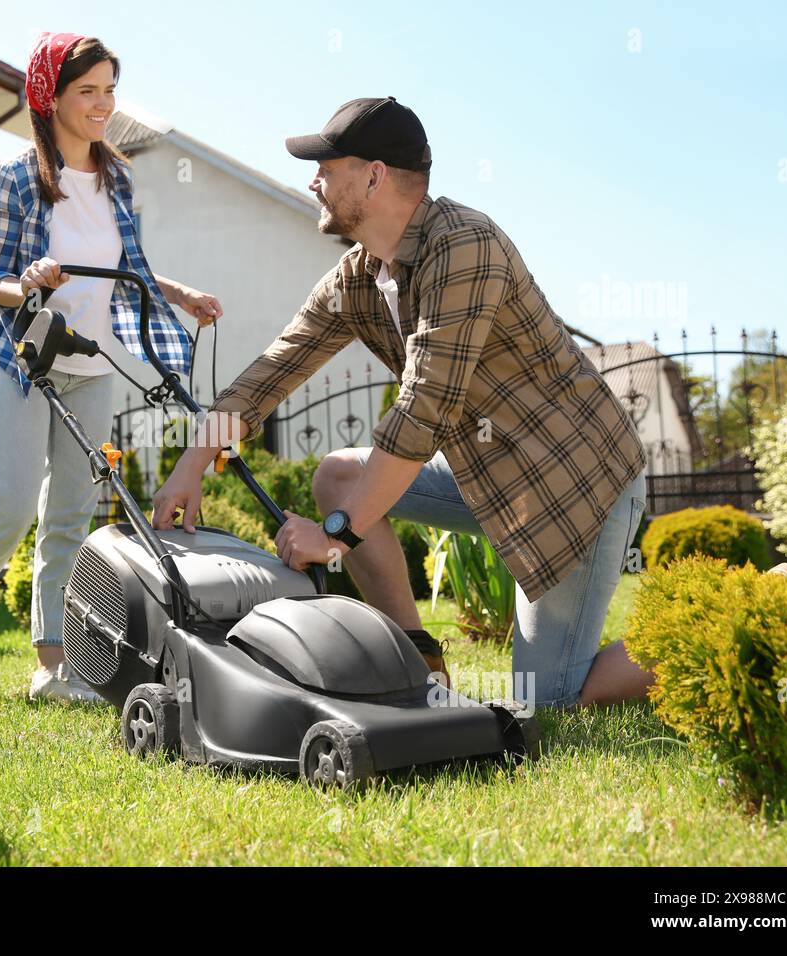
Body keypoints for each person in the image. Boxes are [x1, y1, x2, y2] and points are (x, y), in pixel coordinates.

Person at [152, 97, 652, 710]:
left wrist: (335, 536)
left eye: (326, 167)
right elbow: (271, 371)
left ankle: (720, 624)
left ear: (374, 175)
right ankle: (419, 661)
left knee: (543, 708)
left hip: (575, 487)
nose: (314, 181)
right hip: (488, 477)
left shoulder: (466, 246)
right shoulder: (357, 278)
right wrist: (189, 467)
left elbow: (423, 409)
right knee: (339, 474)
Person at [0, 33, 222, 703]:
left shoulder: (116, 179)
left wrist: (179, 295)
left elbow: (128, 271)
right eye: (87, 91)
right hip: (21, 358)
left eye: (109, 89)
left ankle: (52, 664)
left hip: (89, 364)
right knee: (8, 503)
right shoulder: (16, 178)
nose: (102, 104)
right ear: (49, 97)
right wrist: (23, 282)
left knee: (71, 513)